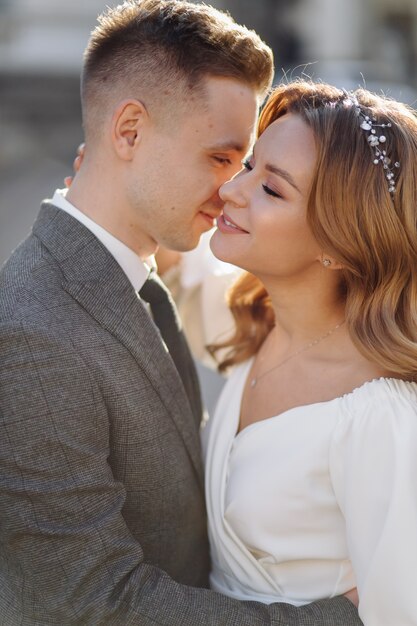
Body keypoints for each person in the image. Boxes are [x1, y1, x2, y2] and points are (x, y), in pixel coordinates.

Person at [0, 1, 361, 624]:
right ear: (130, 131)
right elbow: (91, 605)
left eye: (244, 165)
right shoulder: (34, 334)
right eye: (220, 158)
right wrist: (333, 618)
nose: (232, 189)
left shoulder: (133, 274)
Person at [204, 79, 417, 625]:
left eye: (272, 190)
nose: (231, 190)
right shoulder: (258, 319)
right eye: (249, 165)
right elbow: (182, 278)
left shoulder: (378, 417)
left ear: (338, 241)